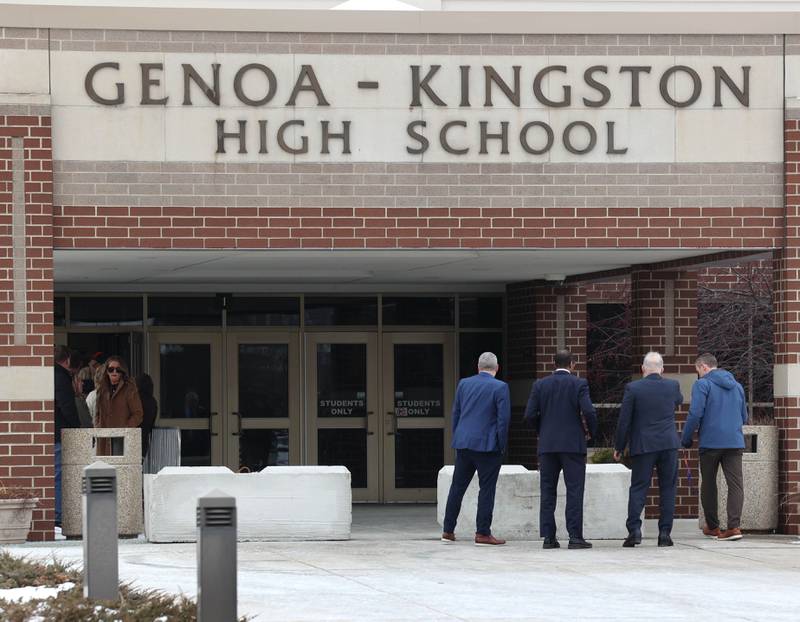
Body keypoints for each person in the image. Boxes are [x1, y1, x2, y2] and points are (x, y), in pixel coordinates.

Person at [524, 350, 597, 549]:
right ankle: (574, 537)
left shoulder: (540, 385)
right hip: (573, 444)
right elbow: (589, 411)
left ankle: (549, 538)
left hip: (547, 445)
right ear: (572, 364)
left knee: (547, 491)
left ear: (553, 363)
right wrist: (591, 432)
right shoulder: (579, 384)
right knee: (574, 491)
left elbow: (530, 414)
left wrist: (542, 430)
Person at [613, 351, 683, 547]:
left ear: (643, 369)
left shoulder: (633, 388)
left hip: (643, 445)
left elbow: (624, 421)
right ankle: (664, 533)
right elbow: (678, 400)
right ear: (662, 369)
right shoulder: (672, 385)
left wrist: (619, 446)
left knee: (639, 488)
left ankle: (634, 530)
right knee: (668, 488)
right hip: (668, 444)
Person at [441, 352, 511, 546]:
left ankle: (448, 530)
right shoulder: (501, 387)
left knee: (457, 487)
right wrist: (501, 445)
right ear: (497, 368)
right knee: (486, 489)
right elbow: (503, 420)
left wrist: (458, 436)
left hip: (464, 443)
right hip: (488, 446)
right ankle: (482, 533)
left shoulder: (464, 384)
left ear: (478, 368)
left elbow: (456, 413)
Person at [681, 352, 749, 541]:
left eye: (697, 371)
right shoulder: (737, 386)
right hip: (734, 442)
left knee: (709, 484)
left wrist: (686, 439)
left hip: (711, 442)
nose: (698, 375)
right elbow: (744, 417)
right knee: (736, 485)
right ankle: (734, 527)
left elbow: (695, 414)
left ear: (703, 367)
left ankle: (713, 527)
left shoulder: (703, 384)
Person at [54, 345, 81, 527]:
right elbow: (67, 407)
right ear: (68, 360)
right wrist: (76, 427)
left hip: (51, 432)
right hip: (59, 433)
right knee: (58, 475)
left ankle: (58, 513)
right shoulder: (61, 378)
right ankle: (58, 515)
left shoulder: (48, 374)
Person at [95, 356, 144, 455]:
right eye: (111, 369)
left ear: (122, 372)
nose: (114, 372)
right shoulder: (102, 390)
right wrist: (97, 427)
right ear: (106, 371)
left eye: (118, 370)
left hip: (122, 438)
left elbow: (138, 414)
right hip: (104, 437)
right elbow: (97, 413)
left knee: (119, 468)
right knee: (104, 467)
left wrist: (125, 428)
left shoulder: (130, 389)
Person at [135, 373, 158, 459]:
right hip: (144, 439)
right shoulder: (152, 401)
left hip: (133, 437)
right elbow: (152, 423)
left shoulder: (134, 399)